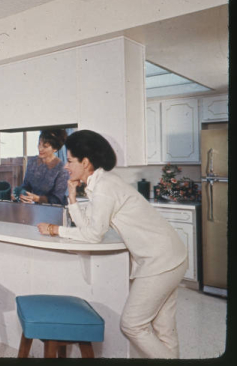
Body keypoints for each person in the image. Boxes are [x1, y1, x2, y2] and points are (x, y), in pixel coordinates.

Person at [37, 130, 187, 359]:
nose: (66, 167)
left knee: (132, 325)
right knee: (164, 330)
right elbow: (90, 228)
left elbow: (93, 235)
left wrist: (55, 229)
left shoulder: (105, 187)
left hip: (161, 259)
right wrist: (72, 196)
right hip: (169, 255)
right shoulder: (101, 183)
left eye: (69, 161)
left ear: (85, 162)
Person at [17, 129, 69, 205]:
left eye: (45, 146)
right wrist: (21, 193)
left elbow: (57, 199)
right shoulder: (32, 162)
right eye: (39, 144)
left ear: (55, 149)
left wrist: (37, 198)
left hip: (57, 211)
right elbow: (26, 185)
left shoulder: (62, 169)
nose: (40, 148)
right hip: (38, 208)